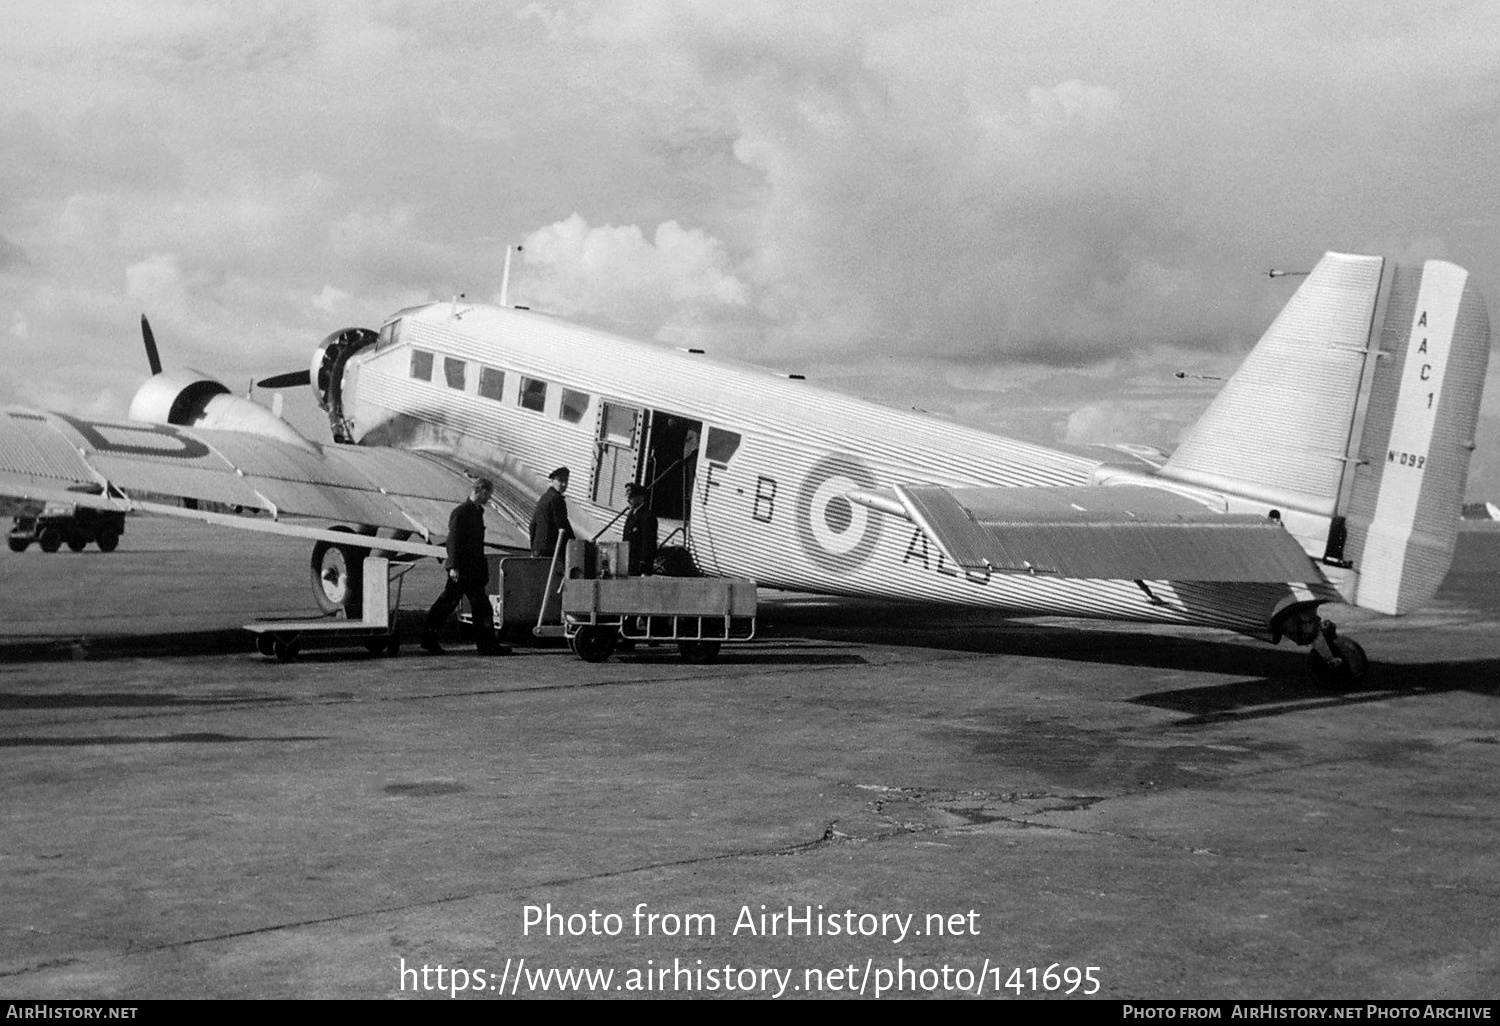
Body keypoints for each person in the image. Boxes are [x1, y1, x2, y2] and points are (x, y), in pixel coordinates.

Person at [422, 478, 510, 655]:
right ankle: (430, 639)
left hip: (473, 571)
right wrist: (453, 566)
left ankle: (486, 646)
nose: (490, 498)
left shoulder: (477, 511)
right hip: (462, 570)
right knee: (448, 604)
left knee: (479, 607)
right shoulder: (461, 512)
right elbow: (453, 540)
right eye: (489, 494)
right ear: (482, 491)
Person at [529, 466, 575, 560]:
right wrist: (574, 543)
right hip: (551, 551)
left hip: (538, 549)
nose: (564, 484)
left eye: (566, 481)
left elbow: (532, 525)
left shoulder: (544, 497)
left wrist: (534, 548)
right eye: (560, 481)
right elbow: (562, 525)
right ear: (553, 480)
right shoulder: (557, 499)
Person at [621, 483, 658, 576]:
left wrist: (645, 566)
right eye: (628, 497)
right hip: (628, 562)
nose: (628, 500)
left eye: (631, 497)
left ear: (641, 497)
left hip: (639, 565)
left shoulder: (648, 517)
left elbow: (649, 543)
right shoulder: (631, 514)